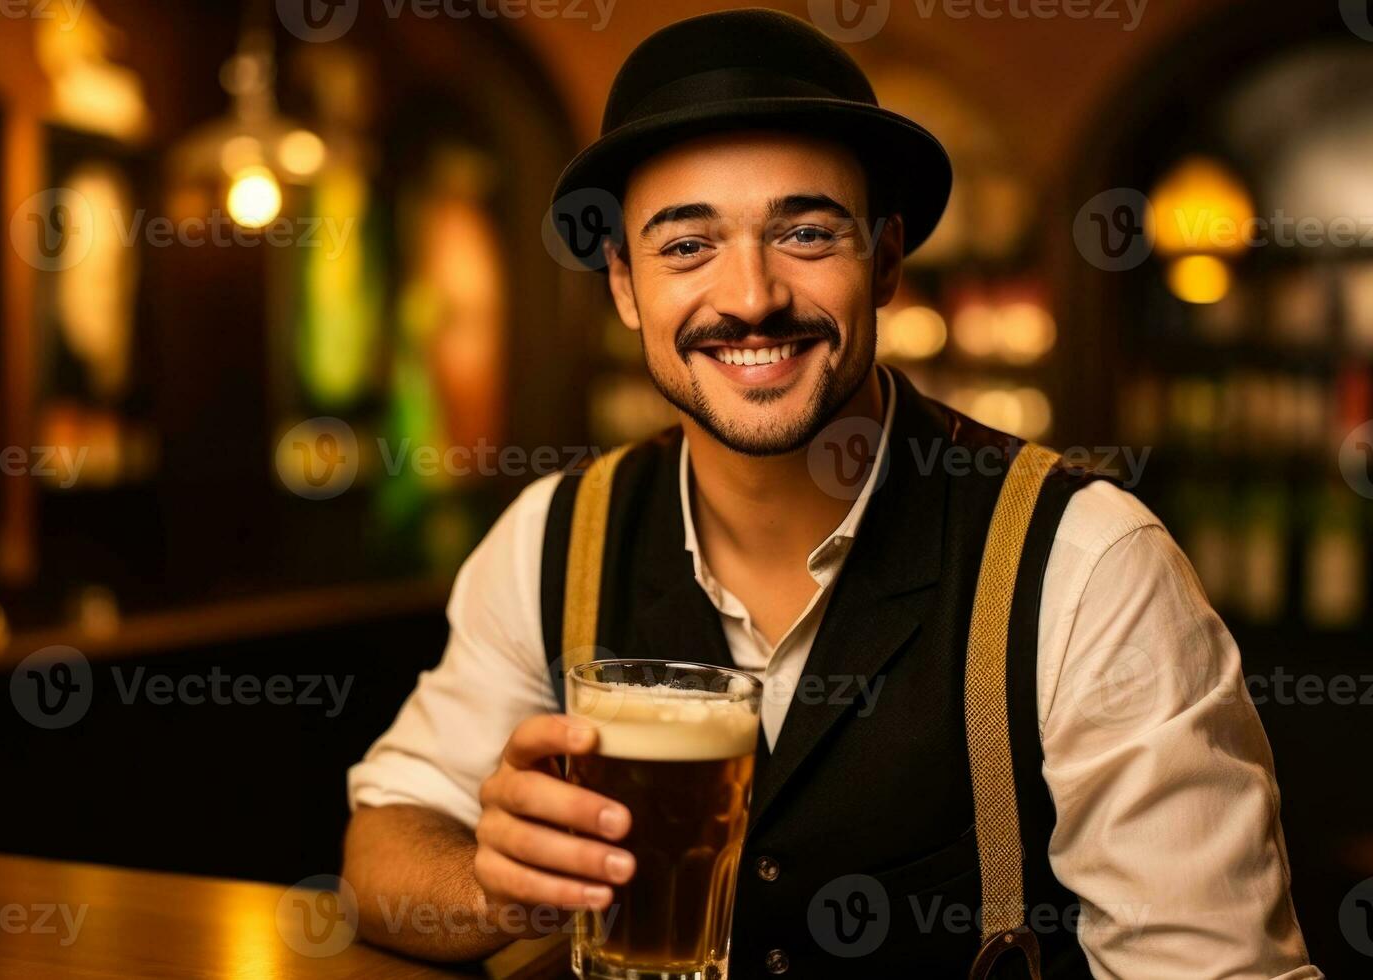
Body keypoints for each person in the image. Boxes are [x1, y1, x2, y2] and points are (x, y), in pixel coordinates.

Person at [343, 9, 1318, 977]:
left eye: (805, 232)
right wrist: (489, 886)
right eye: (686, 246)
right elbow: (379, 851)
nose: (752, 294)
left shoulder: (1085, 563)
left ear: (886, 260)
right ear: (626, 286)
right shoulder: (555, 535)